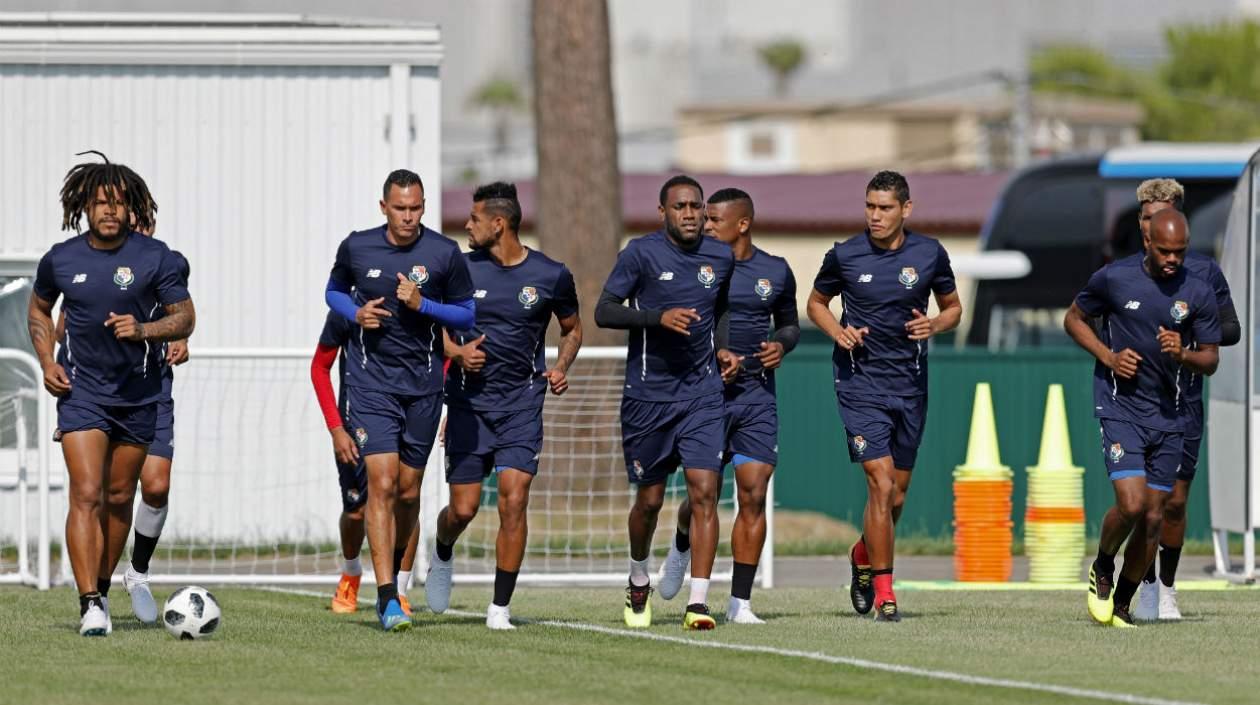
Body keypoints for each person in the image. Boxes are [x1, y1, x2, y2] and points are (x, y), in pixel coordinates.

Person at [29, 153, 195, 636]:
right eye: (100, 202)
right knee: (85, 493)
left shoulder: (155, 256)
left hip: (140, 395)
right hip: (82, 394)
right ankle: (89, 604)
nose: (109, 210)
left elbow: (184, 317)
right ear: (84, 205)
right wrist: (46, 362)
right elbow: (39, 311)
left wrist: (144, 329)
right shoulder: (61, 259)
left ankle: (104, 583)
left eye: (118, 203)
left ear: (131, 209)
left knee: (121, 495)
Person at [425, 182, 582, 630]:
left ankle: (499, 608)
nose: (467, 226)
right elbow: (429, 322)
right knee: (464, 509)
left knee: (514, 502)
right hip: (468, 405)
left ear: (498, 224)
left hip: (521, 405)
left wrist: (560, 365)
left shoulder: (552, 275)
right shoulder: (459, 269)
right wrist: (456, 355)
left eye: (474, 219)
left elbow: (572, 329)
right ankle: (443, 549)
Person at [807, 170, 961, 622]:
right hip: (860, 384)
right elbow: (816, 303)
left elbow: (953, 308)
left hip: (910, 385)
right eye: (870, 207)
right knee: (881, 481)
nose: (875, 216)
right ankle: (886, 592)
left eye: (885, 208)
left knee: (897, 496)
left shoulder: (930, 253)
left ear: (906, 209)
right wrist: (838, 332)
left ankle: (862, 555)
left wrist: (933, 324)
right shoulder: (845, 254)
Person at [324, 169, 475, 631]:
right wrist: (355, 311)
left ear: (424, 207)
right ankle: (388, 597)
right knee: (382, 482)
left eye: (415, 208)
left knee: (409, 491)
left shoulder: (445, 254)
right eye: (399, 208)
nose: (408, 217)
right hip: (372, 387)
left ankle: (397, 580)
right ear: (383, 207)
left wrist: (422, 305)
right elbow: (332, 292)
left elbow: (467, 313)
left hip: (424, 390)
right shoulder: (357, 247)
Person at [595, 174, 739, 630]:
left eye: (697, 206)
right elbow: (604, 309)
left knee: (705, 492)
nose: (691, 214)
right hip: (647, 397)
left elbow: (721, 311)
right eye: (681, 207)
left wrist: (723, 347)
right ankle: (639, 576)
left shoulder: (720, 255)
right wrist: (657, 318)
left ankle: (698, 603)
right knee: (650, 501)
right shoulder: (640, 253)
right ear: (663, 213)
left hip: (702, 395)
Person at [1064, 208, 1220, 627]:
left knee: (1154, 517)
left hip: (1170, 417)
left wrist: (1183, 353)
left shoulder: (1199, 290)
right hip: (1120, 408)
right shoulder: (1115, 278)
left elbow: (1211, 360)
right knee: (1131, 505)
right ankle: (1102, 565)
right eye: (1165, 251)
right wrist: (1108, 357)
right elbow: (1074, 319)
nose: (1173, 259)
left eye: (1181, 252)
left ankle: (1122, 606)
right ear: (1148, 242)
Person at [657, 188, 798, 624]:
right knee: (705, 495)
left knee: (753, 494)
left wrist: (781, 345)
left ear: (742, 224)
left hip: (756, 396)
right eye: (703, 216)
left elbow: (790, 324)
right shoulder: (690, 265)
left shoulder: (775, 271)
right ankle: (683, 536)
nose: (705, 223)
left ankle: (740, 602)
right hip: (705, 395)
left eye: (714, 219)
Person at [310, 312, 421, 615]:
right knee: (357, 511)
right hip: (356, 420)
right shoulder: (350, 308)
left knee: (404, 499)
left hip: (410, 415)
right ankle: (351, 572)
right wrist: (336, 428)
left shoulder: (419, 301)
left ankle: (397, 591)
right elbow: (319, 367)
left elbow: (442, 354)